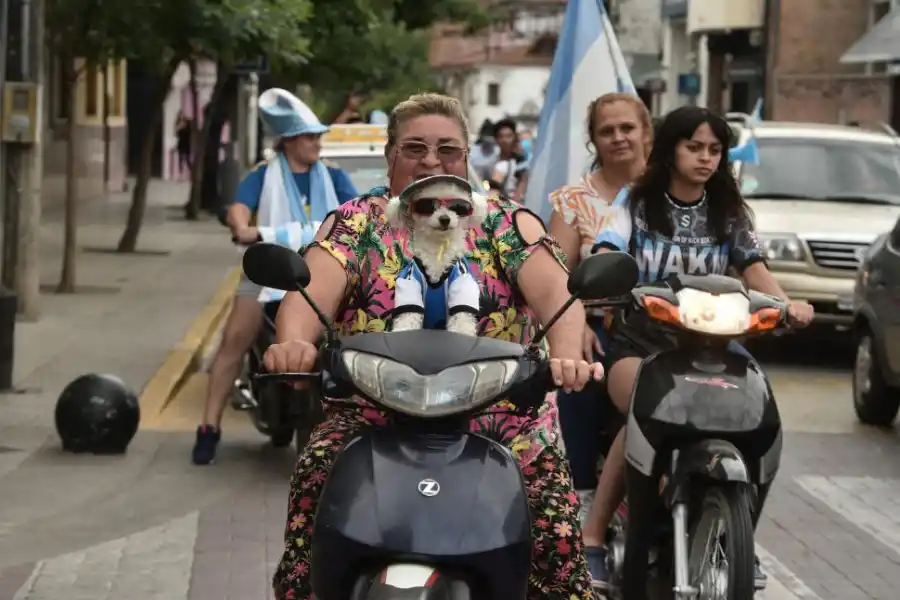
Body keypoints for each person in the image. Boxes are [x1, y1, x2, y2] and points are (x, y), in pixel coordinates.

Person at [263, 92, 603, 600]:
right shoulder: (358, 221)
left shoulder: (506, 222)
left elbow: (558, 293)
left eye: (447, 149)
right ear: (390, 156)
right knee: (317, 476)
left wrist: (567, 355)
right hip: (371, 416)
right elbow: (309, 289)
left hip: (503, 416)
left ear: (467, 157)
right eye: (414, 147)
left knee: (555, 530)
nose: (430, 160)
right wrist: (292, 344)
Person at [582, 105, 815, 590]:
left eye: (714, 149)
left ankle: (738, 533)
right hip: (643, 340)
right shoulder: (636, 202)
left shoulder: (728, 211)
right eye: (694, 147)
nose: (705, 157)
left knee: (762, 414)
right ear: (670, 149)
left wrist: (788, 304)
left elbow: (754, 269)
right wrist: (605, 269)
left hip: (716, 340)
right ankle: (593, 536)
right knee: (641, 412)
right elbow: (607, 247)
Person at [192, 88, 358, 465]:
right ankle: (208, 428)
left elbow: (356, 214)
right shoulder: (263, 175)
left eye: (319, 136)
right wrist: (239, 225)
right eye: (311, 137)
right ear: (290, 141)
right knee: (234, 339)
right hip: (268, 268)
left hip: (322, 271)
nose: (318, 143)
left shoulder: (335, 176)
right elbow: (239, 208)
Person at [547, 92, 652, 523]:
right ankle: (582, 502)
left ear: (646, 131)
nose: (618, 138)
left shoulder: (673, 191)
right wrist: (576, 327)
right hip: (599, 328)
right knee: (579, 374)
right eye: (606, 131)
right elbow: (556, 274)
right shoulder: (572, 200)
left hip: (673, 327)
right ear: (593, 141)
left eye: (627, 127)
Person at [490, 118, 530, 201]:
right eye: (501, 136)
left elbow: (521, 189)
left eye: (508, 136)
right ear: (496, 139)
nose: (504, 140)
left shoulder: (521, 162)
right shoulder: (490, 160)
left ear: (514, 138)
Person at [175, 111, 193, 180]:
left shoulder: (187, 123)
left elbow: (189, 133)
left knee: (187, 160)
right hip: (181, 143)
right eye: (180, 115)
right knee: (180, 160)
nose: (181, 116)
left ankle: (191, 174)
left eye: (182, 115)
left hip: (186, 143)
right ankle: (180, 175)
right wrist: (178, 127)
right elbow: (176, 134)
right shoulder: (178, 124)